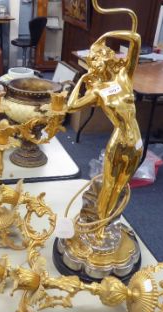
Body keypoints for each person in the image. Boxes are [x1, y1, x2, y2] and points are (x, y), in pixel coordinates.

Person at [67, 30, 142, 221]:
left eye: (97, 58)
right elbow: (71, 106)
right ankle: (99, 227)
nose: (95, 63)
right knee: (108, 186)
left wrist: (106, 34)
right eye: (92, 60)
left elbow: (136, 39)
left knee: (121, 187)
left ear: (107, 57)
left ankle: (106, 222)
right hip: (118, 144)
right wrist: (82, 80)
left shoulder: (124, 77)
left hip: (137, 143)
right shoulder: (99, 91)